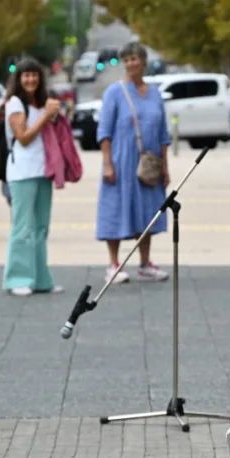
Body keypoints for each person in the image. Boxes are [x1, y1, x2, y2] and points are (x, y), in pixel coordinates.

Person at [95, 41, 171, 284]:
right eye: (127, 59)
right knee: (116, 208)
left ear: (144, 62)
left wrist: (165, 167)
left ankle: (145, 263)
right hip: (121, 160)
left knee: (148, 211)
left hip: (149, 162)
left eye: (135, 58)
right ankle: (113, 263)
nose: (131, 63)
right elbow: (104, 131)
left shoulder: (155, 93)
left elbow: (163, 134)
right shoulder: (114, 92)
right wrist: (107, 163)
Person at [2, 59, 62, 296]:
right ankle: (17, 279)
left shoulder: (41, 101)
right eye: (25, 75)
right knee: (23, 227)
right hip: (22, 173)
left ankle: (40, 279)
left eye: (34, 75)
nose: (30, 80)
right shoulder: (15, 103)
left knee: (40, 227)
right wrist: (46, 115)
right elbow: (24, 137)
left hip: (43, 171)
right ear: (18, 79)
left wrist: (53, 113)